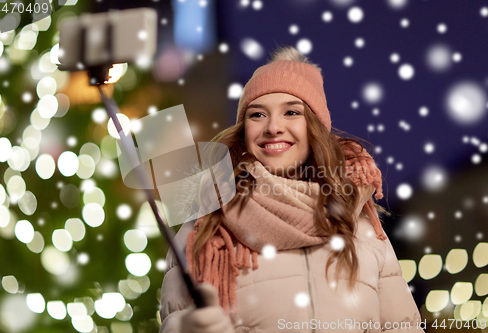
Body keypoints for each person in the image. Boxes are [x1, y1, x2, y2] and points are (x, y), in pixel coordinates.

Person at [159, 46, 425, 333]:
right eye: (257, 115)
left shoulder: (361, 228)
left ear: (314, 128)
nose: (273, 127)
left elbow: (401, 327)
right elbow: (174, 318)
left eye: (291, 112)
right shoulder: (208, 225)